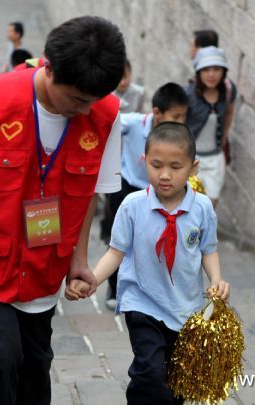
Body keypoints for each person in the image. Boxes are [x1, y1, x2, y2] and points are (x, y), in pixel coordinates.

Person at [0, 16, 126, 405]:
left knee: (33, 371)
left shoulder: (105, 114)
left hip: (44, 272)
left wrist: (79, 259)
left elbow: (90, 194)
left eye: (93, 101)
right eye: (76, 99)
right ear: (49, 67)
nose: (84, 109)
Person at [66, 121, 230, 405]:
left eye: (175, 167)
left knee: (176, 380)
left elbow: (208, 250)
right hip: (142, 303)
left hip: (185, 309)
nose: (164, 175)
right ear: (144, 161)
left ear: (193, 168)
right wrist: (92, 279)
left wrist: (216, 279)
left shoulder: (202, 207)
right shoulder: (132, 206)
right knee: (149, 373)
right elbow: (116, 252)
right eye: (156, 165)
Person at [101, 82, 189, 309]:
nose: (180, 123)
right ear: (157, 113)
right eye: (176, 116)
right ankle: (114, 286)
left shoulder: (179, 138)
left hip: (158, 194)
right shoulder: (133, 124)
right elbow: (105, 124)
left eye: (183, 117)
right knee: (119, 241)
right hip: (127, 189)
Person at [185, 46, 236, 207]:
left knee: (210, 204)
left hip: (215, 158)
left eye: (216, 69)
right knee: (189, 204)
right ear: (199, 72)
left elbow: (229, 112)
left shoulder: (227, 92)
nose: (211, 74)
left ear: (223, 71)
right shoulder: (188, 94)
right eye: (206, 69)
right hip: (192, 159)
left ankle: (200, 232)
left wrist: (224, 136)